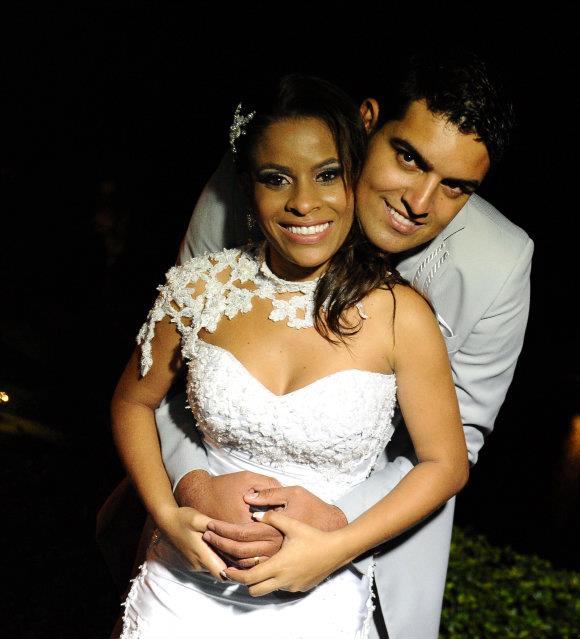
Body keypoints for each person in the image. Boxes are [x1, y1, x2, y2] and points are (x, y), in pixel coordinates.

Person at [150, 51, 532, 638]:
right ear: (368, 120)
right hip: (203, 531)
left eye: (455, 187)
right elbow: (173, 363)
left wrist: (333, 521)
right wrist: (193, 485)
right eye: (409, 158)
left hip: (369, 545)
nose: (420, 202)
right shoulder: (253, 182)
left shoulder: (500, 263)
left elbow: (460, 441)